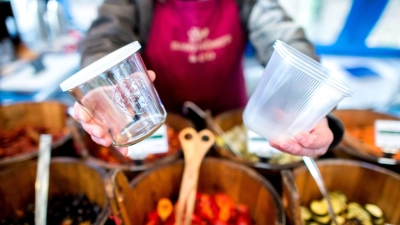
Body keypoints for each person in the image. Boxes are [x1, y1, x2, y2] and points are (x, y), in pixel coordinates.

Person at [73, 0, 344, 157]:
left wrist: (308, 102)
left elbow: (287, 39)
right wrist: (102, 82)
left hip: (229, 123)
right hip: (161, 127)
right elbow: (104, 39)